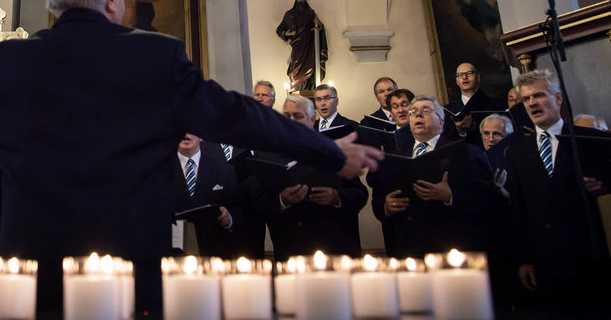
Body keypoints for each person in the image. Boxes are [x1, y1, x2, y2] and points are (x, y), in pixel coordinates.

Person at [0, 0, 382, 312]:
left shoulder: (5, 63)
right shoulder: (156, 57)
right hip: (129, 270)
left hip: (31, 271)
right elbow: (237, 115)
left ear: (53, 2)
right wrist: (329, 152)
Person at [503, 70, 610, 313]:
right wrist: (524, 259)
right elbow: (518, 209)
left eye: (539, 95)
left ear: (558, 98)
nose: (532, 103)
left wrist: (605, 187)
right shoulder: (517, 152)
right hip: (545, 260)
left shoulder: (587, 139)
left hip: (589, 255)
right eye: (526, 99)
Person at [368, 95, 494, 258]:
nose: (418, 114)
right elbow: (378, 198)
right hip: (409, 248)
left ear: (441, 121)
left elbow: (486, 197)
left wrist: (451, 196)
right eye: (413, 112)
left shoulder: (467, 152)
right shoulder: (394, 157)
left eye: (426, 110)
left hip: (453, 245)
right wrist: (386, 207)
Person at [261, 95, 367, 259]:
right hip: (293, 250)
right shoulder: (269, 155)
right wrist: (282, 200)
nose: (291, 121)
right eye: (287, 116)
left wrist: (337, 197)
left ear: (312, 120)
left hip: (336, 248)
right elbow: (259, 203)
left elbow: (360, 194)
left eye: (298, 116)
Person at [172, 134, 242, 257]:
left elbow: (239, 210)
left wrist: (229, 218)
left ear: (201, 136)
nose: (185, 135)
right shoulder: (159, 171)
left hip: (213, 254)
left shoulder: (223, 170)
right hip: (173, 254)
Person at [275, 0, 326, 92]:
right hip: (297, 45)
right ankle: (297, 86)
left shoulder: (310, 13)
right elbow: (279, 29)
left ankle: (309, 86)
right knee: (296, 64)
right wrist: (287, 33)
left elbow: (319, 25)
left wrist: (318, 25)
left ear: (305, 0)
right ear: (295, 0)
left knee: (310, 64)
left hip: (309, 45)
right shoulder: (289, 14)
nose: (300, 1)